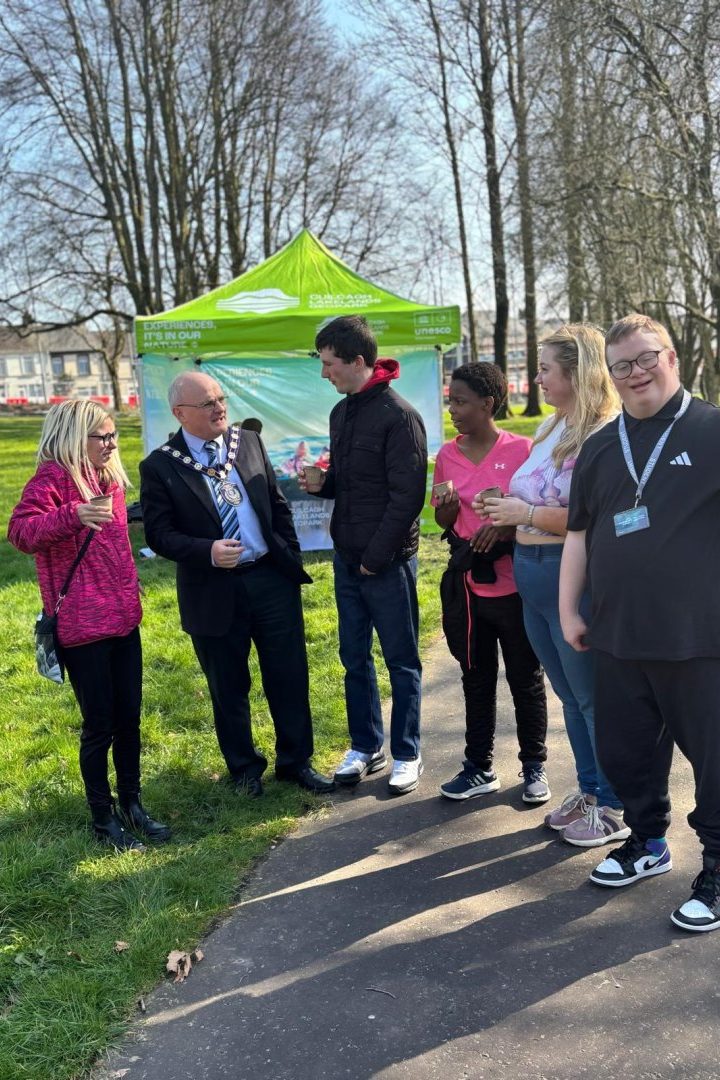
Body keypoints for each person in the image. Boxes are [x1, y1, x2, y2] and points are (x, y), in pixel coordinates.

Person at [559, 313, 720, 932]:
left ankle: (718, 866)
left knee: (714, 759)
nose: (636, 372)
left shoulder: (711, 430)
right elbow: (579, 535)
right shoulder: (601, 446)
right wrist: (570, 610)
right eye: (622, 365)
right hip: (618, 633)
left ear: (671, 357)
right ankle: (647, 842)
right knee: (626, 754)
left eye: (647, 358)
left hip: (699, 637)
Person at [139, 371, 333, 797]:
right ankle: (244, 769)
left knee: (288, 674)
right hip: (213, 589)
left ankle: (296, 762)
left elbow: (277, 504)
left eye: (221, 399)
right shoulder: (160, 465)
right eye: (207, 403)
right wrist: (206, 550)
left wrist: (288, 556)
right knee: (228, 684)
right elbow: (158, 534)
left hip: (270, 579)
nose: (219, 408)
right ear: (180, 414)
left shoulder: (247, 442)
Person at [483, 325, 627, 847]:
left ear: (577, 372)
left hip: (573, 578)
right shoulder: (551, 425)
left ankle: (614, 805)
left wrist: (525, 513)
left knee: (592, 699)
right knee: (568, 695)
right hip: (532, 574)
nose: (537, 378)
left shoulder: (605, 434)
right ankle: (590, 792)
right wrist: (502, 506)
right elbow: (532, 495)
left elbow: (601, 519)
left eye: (545, 369)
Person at [8, 399, 170, 851]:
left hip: (123, 620)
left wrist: (129, 586)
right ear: (74, 437)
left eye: (113, 435)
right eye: (103, 436)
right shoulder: (52, 479)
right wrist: (73, 514)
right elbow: (20, 532)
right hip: (83, 628)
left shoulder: (108, 479)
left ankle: (133, 804)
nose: (112, 443)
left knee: (129, 719)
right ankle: (103, 818)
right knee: (100, 726)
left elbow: (114, 548)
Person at [302, 315, 427, 795]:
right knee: (353, 656)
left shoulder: (400, 416)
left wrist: (375, 557)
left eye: (329, 363)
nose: (323, 373)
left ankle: (408, 753)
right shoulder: (342, 412)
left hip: (386, 562)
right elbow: (353, 483)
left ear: (357, 361)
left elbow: (407, 498)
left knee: (401, 659)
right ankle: (366, 745)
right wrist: (324, 483)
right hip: (348, 558)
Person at [433, 362, 549, 804]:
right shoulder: (447, 454)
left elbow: (537, 513)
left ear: (488, 403)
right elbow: (444, 519)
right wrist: (446, 508)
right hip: (468, 590)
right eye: (451, 401)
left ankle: (534, 766)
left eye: (460, 402)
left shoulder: (523, 449)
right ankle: (478, 767)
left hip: (516, 586)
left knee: (526, 678)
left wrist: (503, 528)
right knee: (475, 678)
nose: (453, 410)